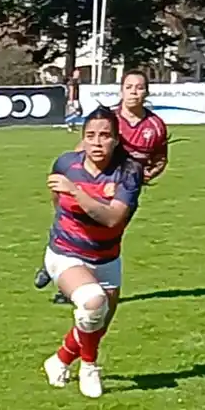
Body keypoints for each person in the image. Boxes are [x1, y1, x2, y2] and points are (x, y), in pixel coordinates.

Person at [40, 105, 144, 399]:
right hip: (66, 253)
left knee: (95, 325)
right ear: (82, 138)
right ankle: (89, 367)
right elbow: (57, 203)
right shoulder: (65, 164)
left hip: (107, 259)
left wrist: (77, 192)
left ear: (116, 139)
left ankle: (59, 360)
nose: (97, 142)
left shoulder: (128, 172)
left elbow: (112, 218)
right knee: (92, 301)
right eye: (90, 135)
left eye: (105, 136)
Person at [35, 70, 168, 297]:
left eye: (139, 88)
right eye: (129, 87)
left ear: (147, 92)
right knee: (79, 225)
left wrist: (141, 178)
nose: (134, 92)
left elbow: (160, 159)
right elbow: (82, 150)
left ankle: (84, 277)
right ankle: (60, 268)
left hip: (125, 189)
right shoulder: (109, 119)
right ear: (121, 91)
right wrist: (78, 177)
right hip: (95, 182)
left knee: (110, 232)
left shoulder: (155, 126)